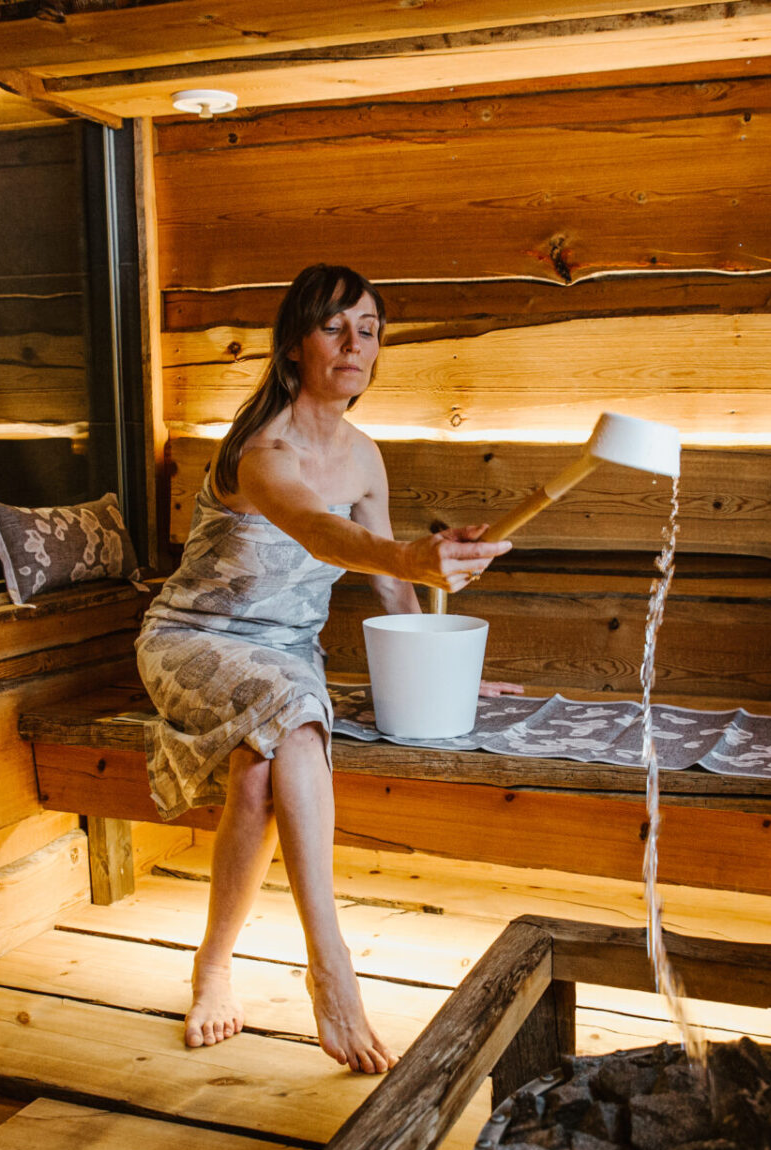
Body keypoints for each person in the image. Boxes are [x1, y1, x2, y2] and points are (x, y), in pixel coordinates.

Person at [135, 264, 519, 1074]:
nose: (355, 345)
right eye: (335, 327)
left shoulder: (364, 456)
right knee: (297, 714)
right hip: (195, 639)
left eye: (369, 330)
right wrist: (409, 553)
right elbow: (319, 532)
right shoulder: (259, 451)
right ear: (294, 347)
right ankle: (331, 965)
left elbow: (388, 584)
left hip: (286, 656)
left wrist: (439, 661)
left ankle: (213, 967)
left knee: (257, 772)